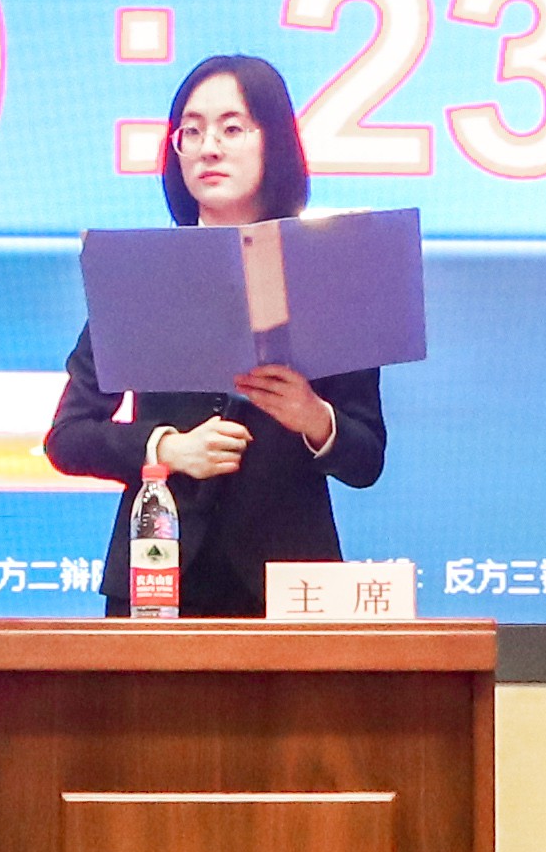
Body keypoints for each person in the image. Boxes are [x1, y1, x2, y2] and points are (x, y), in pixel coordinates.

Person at [45, 51, 389, 615]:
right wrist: (167, 448)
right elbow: (68, 436)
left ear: (274, 142)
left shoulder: (330, 273)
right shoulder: (140, 276)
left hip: (291, 588)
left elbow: (366, 458)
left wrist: (313, 418)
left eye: (232, 128)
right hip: (157, 578)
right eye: (192, 131)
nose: (209, 147)